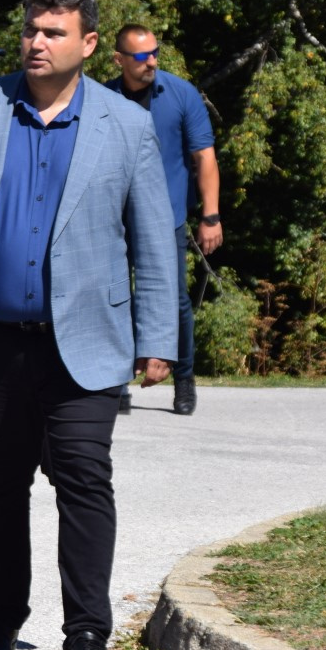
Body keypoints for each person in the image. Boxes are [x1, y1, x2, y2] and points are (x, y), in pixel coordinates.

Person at [0, 0, 178, 650]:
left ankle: (86, 635)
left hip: (86, 339)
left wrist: (158, 337)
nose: (36, 41)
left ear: (88, 43)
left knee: (84, 480)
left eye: (53, 32)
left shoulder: (126, 125)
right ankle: (1, 614)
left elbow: (153, 239)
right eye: (31, 28)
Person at [106, 24, 222, 416]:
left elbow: (204, 156)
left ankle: (184, 378)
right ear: (119, 59)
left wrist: (210, 216)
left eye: (155, 52)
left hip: (166, 217)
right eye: (142, 55)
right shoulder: (103, 98)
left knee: (175, 301)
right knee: (114, 298)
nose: (151, 61)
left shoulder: (181, 94)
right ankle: (117, 383)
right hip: (114, 219)